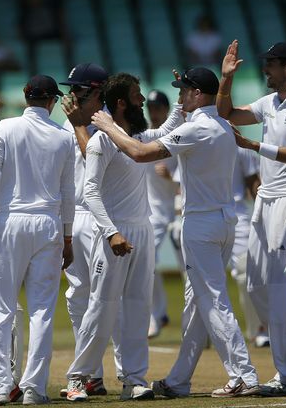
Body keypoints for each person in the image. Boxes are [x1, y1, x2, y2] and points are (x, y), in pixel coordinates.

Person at [91, 67, 260, 398]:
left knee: (212, 300)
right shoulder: (223, 125)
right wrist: (216, 81)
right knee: (196, 304)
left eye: (184, 92)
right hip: (224, 221)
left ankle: (244, 374)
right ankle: (179, 379)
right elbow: (180, 120)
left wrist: (109, 126)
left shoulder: (197, 129)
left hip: (201, 225)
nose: (178, 98)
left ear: (198, 94)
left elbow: (140, 153)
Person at [217, 40, 286, 396]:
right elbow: (226, 113)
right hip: (265, 201)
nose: (266, 69)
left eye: (272, 64)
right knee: (255, 286)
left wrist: (253, 146)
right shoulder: (269, 103)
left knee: (280, 287)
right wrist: (225, 79)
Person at [65, 72, 187, 402]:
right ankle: (78, 378)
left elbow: (165, 132)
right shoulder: (102, 140)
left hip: (142, 229)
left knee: (137, 307)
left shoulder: (139, 135)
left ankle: (133, 379)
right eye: (137, 95)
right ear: (121, 102)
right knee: (101, 308)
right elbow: (90, 192)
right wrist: (111, 232)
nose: (143, 100)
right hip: (113, 233)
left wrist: (181, 99)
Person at [0, 75, 75, 405]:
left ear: (26, 97)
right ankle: (34, 388)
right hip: (48, 224)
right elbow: (68, 192)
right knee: (41, 311)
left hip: (10, 221)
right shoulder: (63, 136)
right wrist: (68, 236)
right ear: (52, 101)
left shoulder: (5, 128)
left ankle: (1, 387)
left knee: (1, 307)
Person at [57, 63, 120, 398]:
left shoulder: (108, 122)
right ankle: (91, 374)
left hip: (104, 217)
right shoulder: (71, 123)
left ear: (95, 92)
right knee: (78, 295)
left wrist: (78, 124)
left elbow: (97, 160)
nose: (70, 96)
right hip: (75, 215)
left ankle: (125, 372)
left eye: (77, 90)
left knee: (107, 297)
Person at [144, 89, 181, 339]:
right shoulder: (144, 135)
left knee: (190, 268)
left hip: (180, 208)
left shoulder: (180, 134)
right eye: (150, 107)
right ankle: (157, 314)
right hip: (153, 212)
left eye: (158, 108)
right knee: (147, 262)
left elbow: (193, 175)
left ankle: (199, 320)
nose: (153, 112)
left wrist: (172, 178)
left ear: (167, 110)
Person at [229, 147, 270, 348]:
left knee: (248, 272)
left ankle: (258, 330)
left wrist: (265, 216)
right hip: (200, 216)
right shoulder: (192, 136)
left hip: (237, 216)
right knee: (198, 280)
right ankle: (201, 334)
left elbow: (254, 182)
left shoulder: (240, 149)